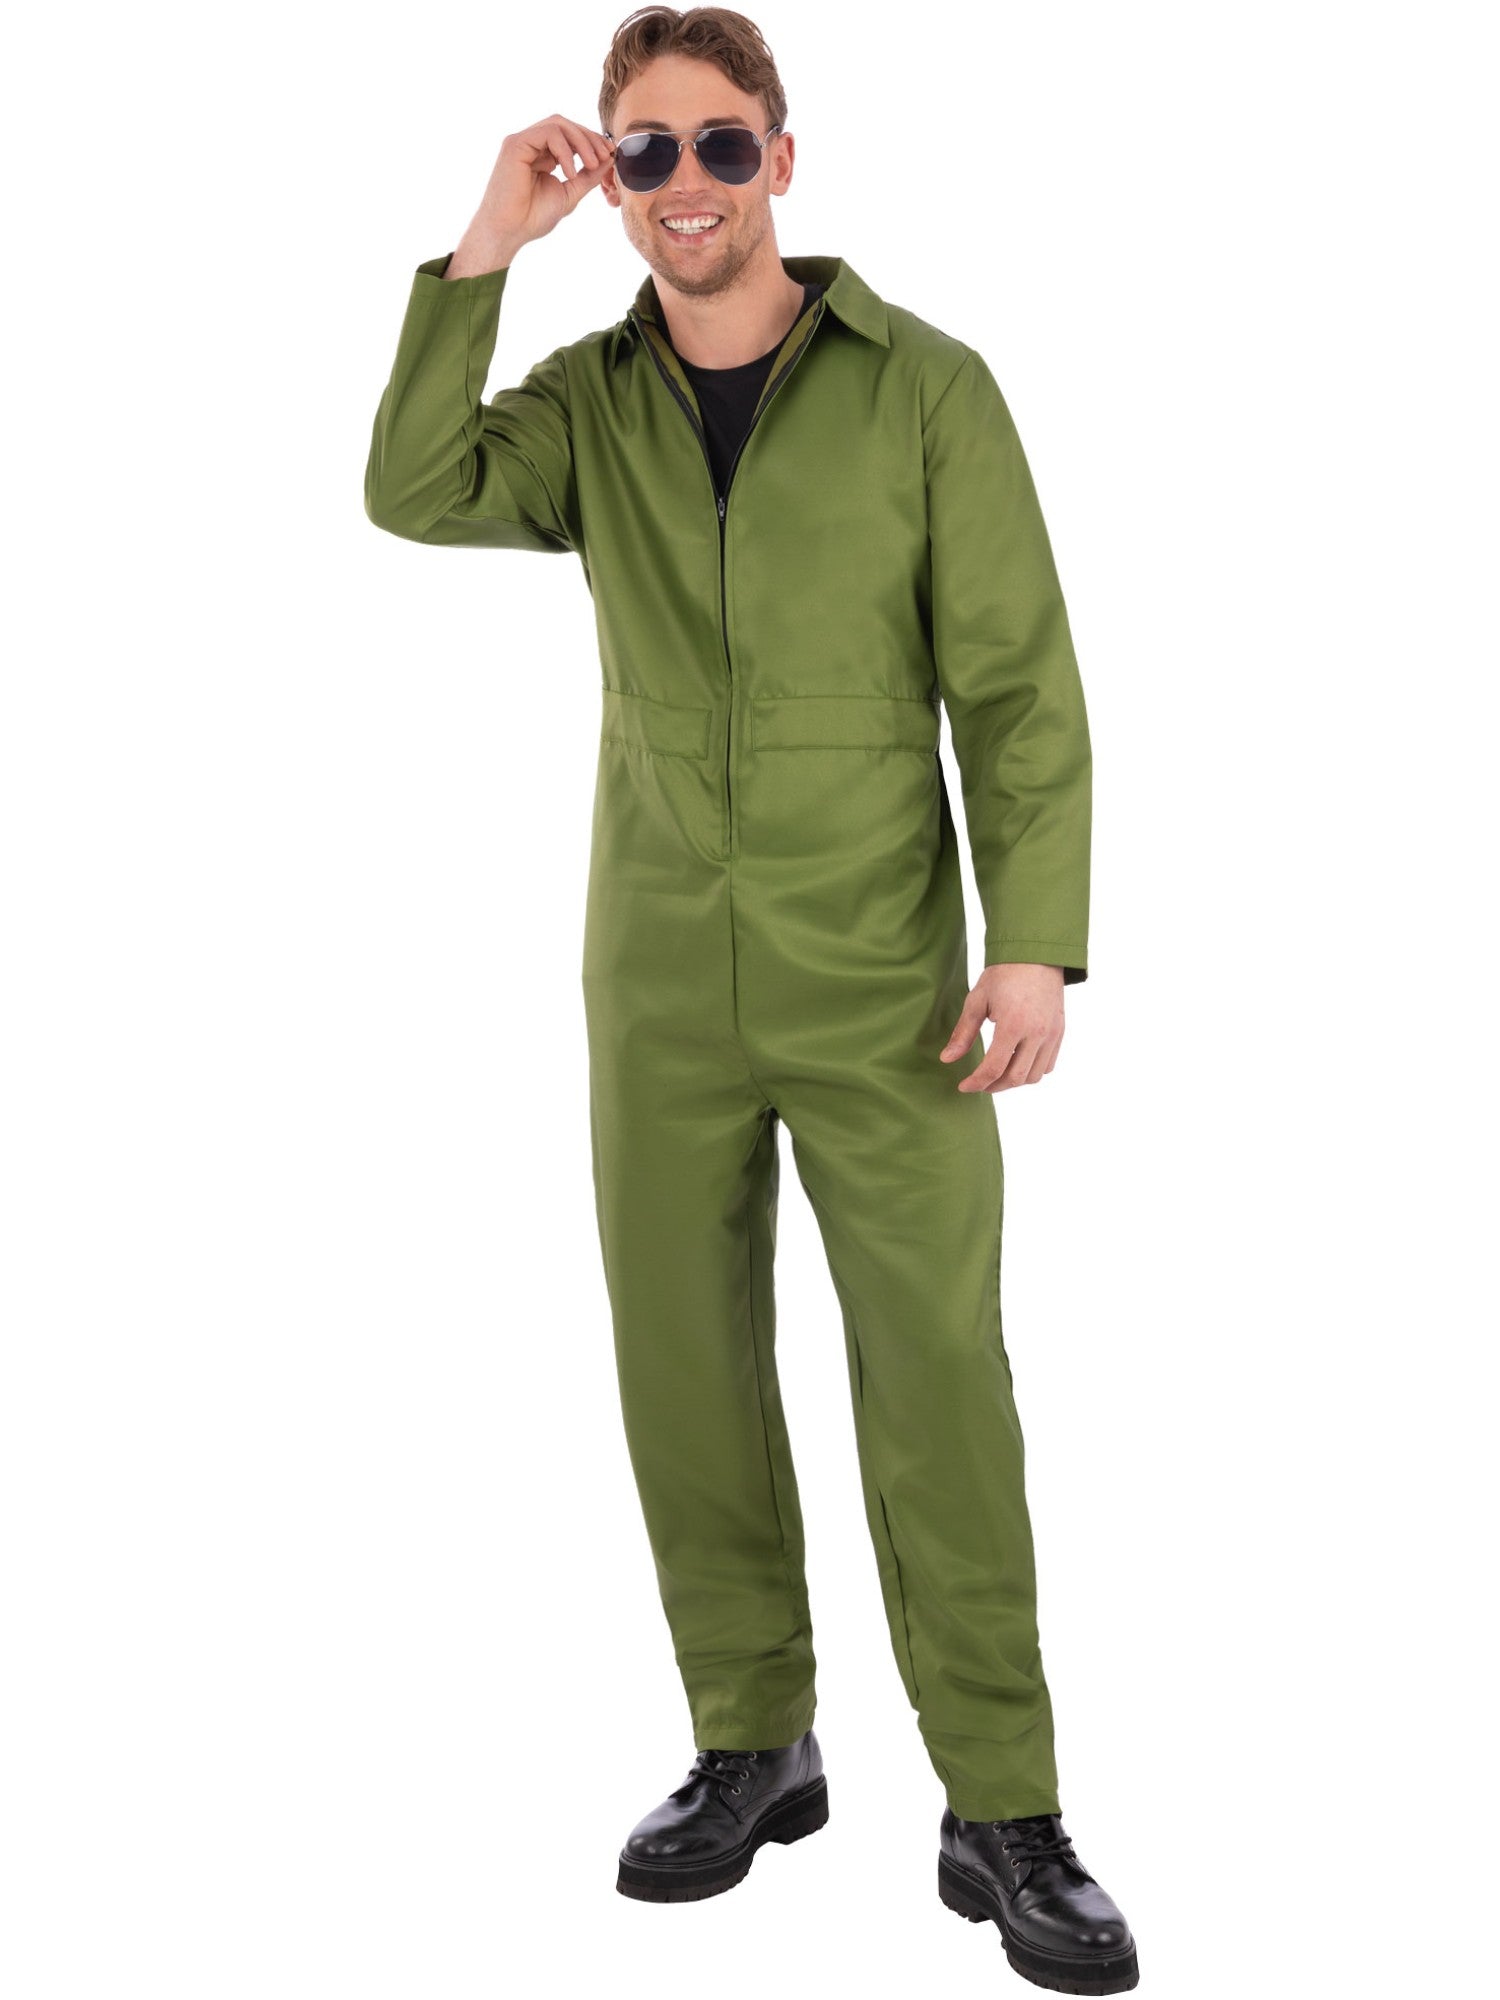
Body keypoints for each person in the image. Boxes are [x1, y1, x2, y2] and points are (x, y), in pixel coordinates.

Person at [364, 6, 1138, 1989]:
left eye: (720, 145)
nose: (685, 184)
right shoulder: (589, 405)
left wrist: (1033, 938)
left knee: (938, 1381)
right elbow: (413, 484)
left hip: (885, 982)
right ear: (610, 177)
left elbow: (1020, 684)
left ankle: (1003, 1799)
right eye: (645, 151)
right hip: (657, 983)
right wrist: (485, 246)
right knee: (685, 1370)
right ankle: (752, 1738)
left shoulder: (927, 389)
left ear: (782, 159)